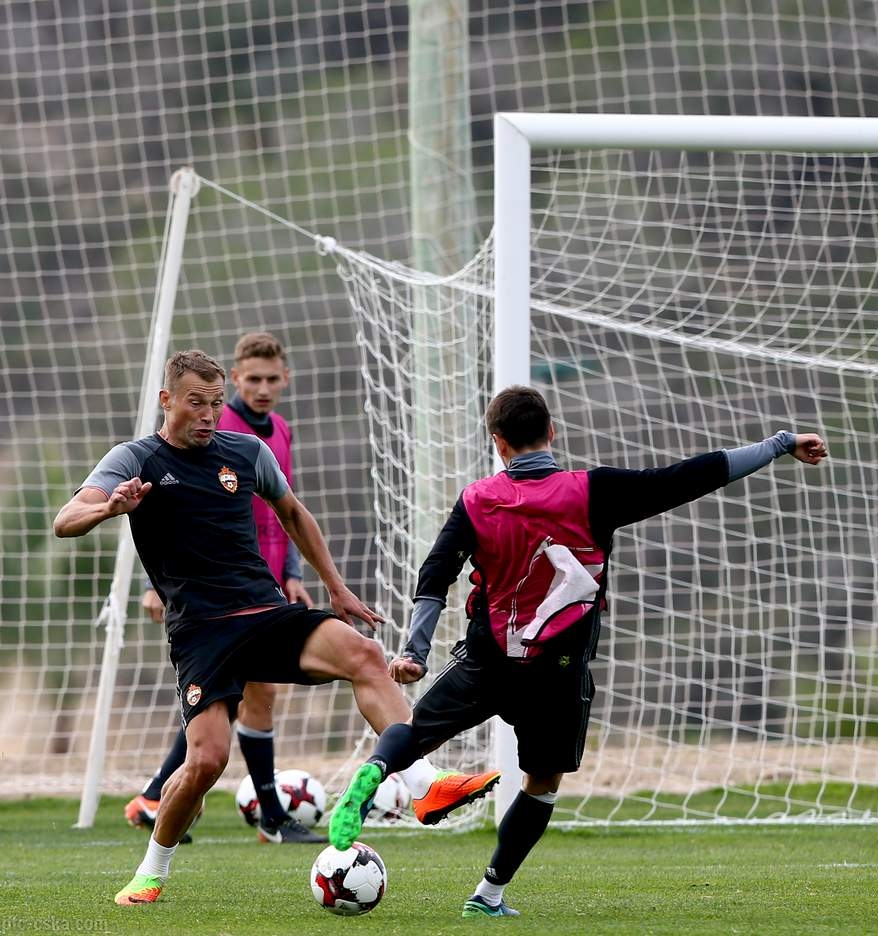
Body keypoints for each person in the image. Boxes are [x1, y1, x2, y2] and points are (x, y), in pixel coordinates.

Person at [326, 385, 829, 918]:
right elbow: (691, 476)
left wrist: (416, 651)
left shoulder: (477, 500)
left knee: (413, 733)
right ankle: (488, 895)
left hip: (488, 658)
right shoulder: (595, 491)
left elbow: (435, 576)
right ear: (552, 432)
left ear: (498, 443)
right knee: (542, 784)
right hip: (557, 670)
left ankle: (378, 768)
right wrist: (779, 443)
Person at [54, 350, 500, 906]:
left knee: (364, 653)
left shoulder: (246, 452)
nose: (208, 415)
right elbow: (65, 520)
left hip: (266, 614)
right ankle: (152, 868)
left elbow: (294, 513)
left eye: (216, 404)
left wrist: (335, 587)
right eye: (196, 403)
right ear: (166, 400)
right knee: (206, 761)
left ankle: (424, 784)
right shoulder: (134, 458)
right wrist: (109, 508)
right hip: (202, 634)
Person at [127, 332, 322, 844]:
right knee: (236, 699)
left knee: (234, 700)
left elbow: (286, 507)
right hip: (215, 594)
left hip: (262, 582)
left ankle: (159, 796)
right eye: (253, 379)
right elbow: (171, 507)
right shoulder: (210, 427)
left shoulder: (276, 432)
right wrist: (154, 584)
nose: (262, 388)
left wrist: (293, 573)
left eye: (272, 379)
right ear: (235, 379)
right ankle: (267, 816)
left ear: (286, 379)